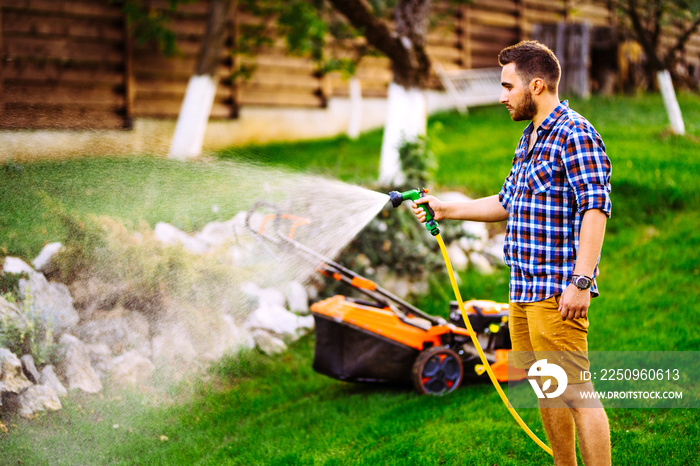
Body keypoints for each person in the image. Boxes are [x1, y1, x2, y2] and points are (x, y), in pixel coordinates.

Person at [413, 41, 612, 466]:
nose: (501, 96)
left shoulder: (575, 134)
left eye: (507, 86)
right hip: (523, 291)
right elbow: (507, 201)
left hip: (555, 292)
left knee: (577, 394)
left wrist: (581, 280)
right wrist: (446, 209)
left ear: (536, 85)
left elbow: (596, 207)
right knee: (547, 387)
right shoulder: (530, 138)